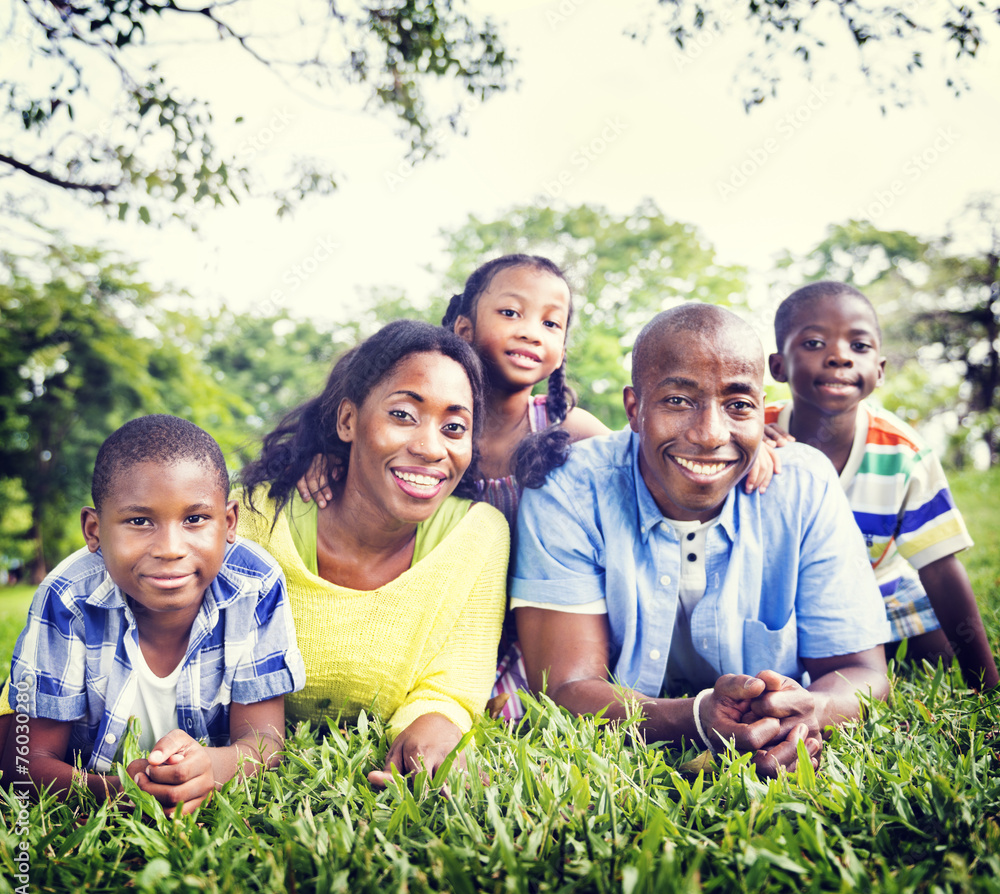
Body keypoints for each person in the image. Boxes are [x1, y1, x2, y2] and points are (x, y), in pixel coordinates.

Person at [300, 254, 779, 722]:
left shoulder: (569, 428)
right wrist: (323, 461)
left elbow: (655, 458)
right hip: (441, 616)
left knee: (524, 716)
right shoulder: (425, 434)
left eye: (552, 324)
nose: (532, 331)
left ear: (563, 353)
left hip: (537, 627)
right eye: (511, 313)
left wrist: (745, 445)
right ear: (463, 328)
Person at [511, 303, 892, 776]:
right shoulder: (569, 487)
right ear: (635, 409)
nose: (711, 434)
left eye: (738, 405)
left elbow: (864, 673)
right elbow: (565, 689)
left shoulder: (804, 484)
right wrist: (693, 717)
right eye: (678, 400)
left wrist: (809, 709)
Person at [237, 320, 508, 787]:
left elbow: (452, 687)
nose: (429, 447)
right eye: (403, 415)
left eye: (454, 426)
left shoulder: (478, 534)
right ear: (349, 421)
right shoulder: (256, 520)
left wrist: (432, 732)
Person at [0, 415, 304, 813]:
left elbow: (264, 742)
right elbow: (22, 765)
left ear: (228, 523)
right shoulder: (68, 597)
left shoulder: (255, 585)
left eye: (195, 519)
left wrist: (208, 767)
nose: (171, 548)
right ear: (94, 530)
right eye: (139, 521)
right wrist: (122, 791)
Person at [766, 281, 998, 690]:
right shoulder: (753, 433)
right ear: (778, 366)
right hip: (783, 602)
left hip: (880, 594)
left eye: (859, 346)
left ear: (880, 369)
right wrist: (748, 448)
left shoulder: (903, 453)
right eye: (815, 343)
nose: (839, 356)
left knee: (938, 652)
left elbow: (941, 568)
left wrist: (987, 683)